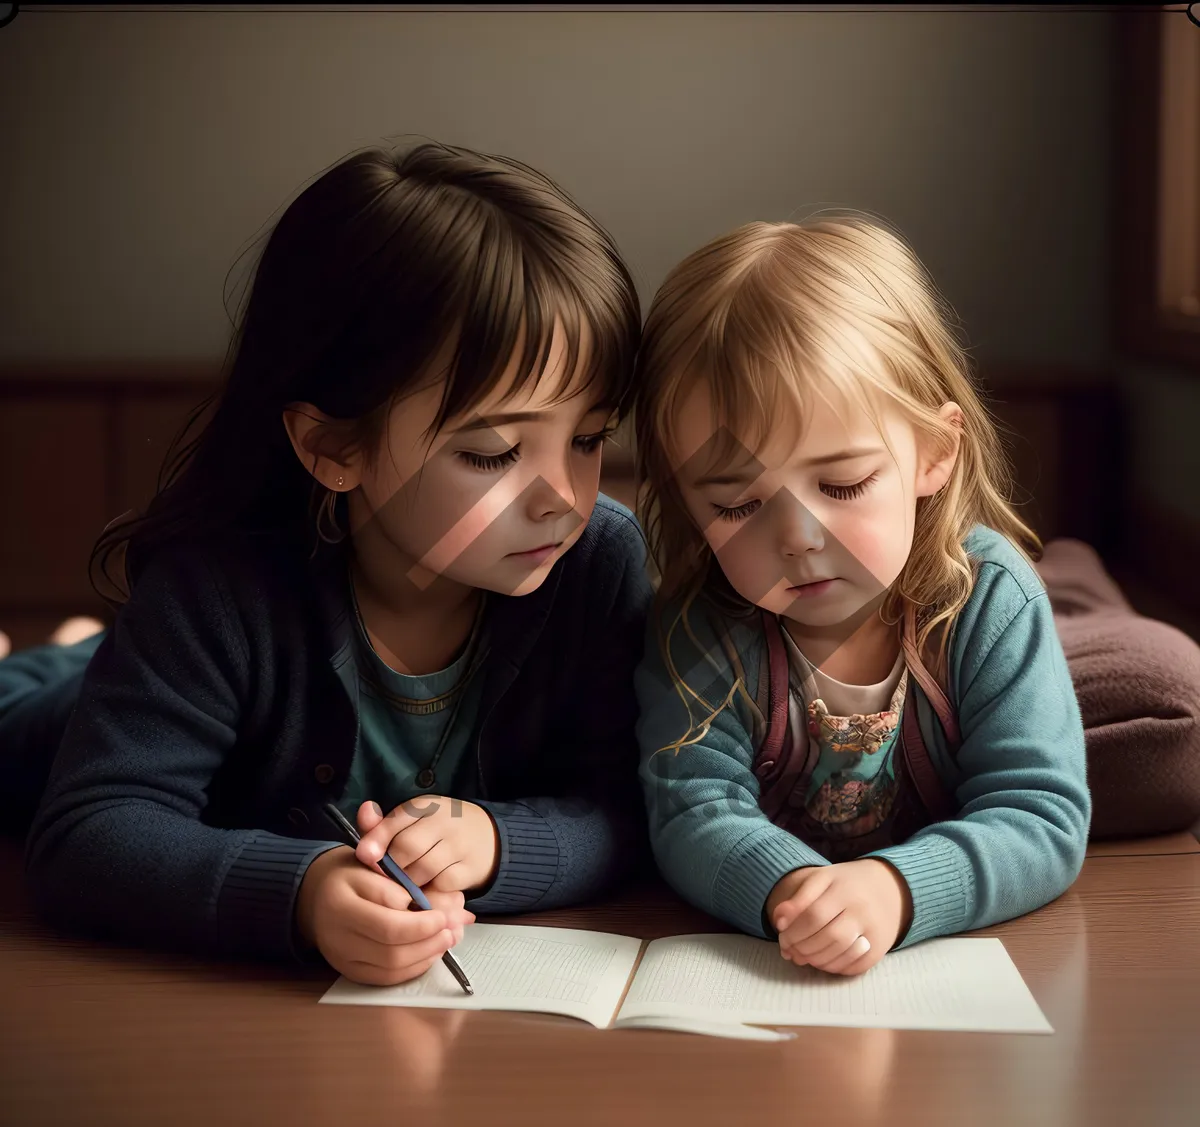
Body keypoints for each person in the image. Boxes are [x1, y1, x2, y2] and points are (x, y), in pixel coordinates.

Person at [12, 140, 652, 987]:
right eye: (495, 452)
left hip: (155, 677)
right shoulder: (215, 589)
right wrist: (303, 891)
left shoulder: (597, 561)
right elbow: (90, 830)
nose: (564, 498)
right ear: (330, 447)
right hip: (46, 731)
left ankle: (82, 648)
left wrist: (500, 842)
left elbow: (628, 805)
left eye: (589, 439)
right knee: (41, 711)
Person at [631, 216, 1090, 977]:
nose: (799, 539)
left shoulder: (989, 596)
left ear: (934, 454)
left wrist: (896, 889)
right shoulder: (699, 622)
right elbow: (690, 808)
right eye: (737, 506)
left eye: (842, 484)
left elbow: (1040, 816)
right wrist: (793, 888)